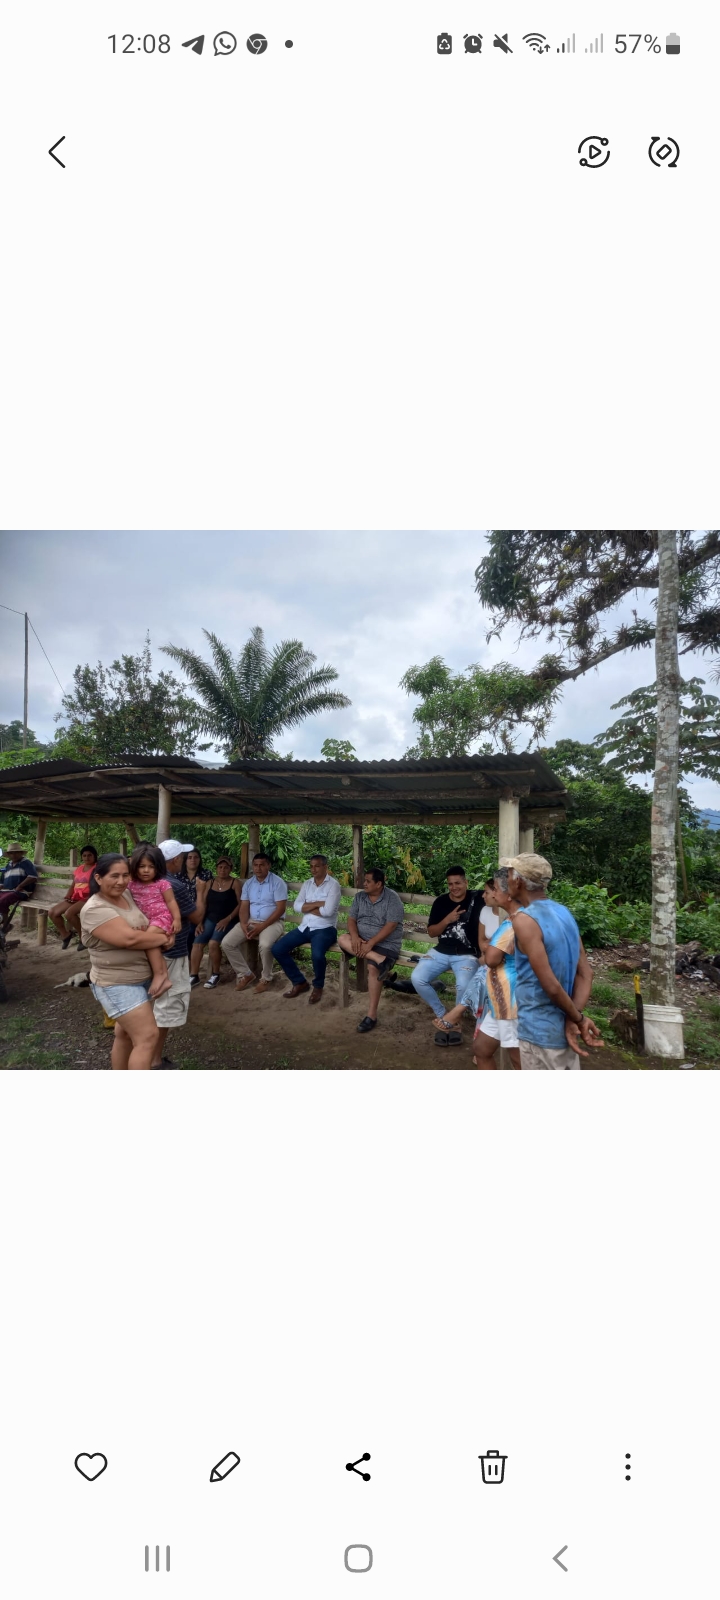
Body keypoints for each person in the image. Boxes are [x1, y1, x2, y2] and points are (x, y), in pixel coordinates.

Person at [505, 852, 604, 1069]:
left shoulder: (524, 920)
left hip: (538, 1032)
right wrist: (573, 1018)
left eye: (509, 874)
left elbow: (550, 985)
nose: (507, 879)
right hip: (561, 1030)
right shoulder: (564, 912)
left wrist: (578, 1020)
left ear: (519, 881)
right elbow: (586, 973)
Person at [79, 852, 171, 1069]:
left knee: (125, 1035)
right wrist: (163, 938)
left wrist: (164, 931)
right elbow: (130, 939)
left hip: (140, 979)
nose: (121, 881)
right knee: (147, 1037)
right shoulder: (95, 909)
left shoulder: (127, 894)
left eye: (125, 875)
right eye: (114, 876)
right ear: (98, 878)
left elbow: (152, 917)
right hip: (117, 984)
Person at [439, 869, 521, 1065]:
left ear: (507, 893)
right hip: (500, 991)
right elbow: (486, 946)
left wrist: (492, 950)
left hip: (511, 995)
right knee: (481, 1049)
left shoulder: (516, 921)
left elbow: (491, 958)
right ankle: (460, 1010)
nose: (487, 895)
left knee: (518, 1059)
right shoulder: (509, 919)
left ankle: (459, 1010)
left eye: (493, 889)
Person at [411, 865, 482, 1025]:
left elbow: (498, 894)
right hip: (441, 952)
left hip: (467, 955)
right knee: (417, 978)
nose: (454, 887)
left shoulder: (478, 898)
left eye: (458, 883)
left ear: (466, 882)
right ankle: (443, 1014)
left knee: (463, 985)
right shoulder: (441, 902)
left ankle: (454, 1020)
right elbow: (432, 932)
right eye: (450, 884)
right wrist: (447, 920)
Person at [338, 867, 405, 1034]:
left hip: (386, 943)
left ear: (379, 884)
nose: (364, 884)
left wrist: (372, 943)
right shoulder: (360, 897)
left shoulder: (392, 898)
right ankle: (382, 961)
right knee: (342, 939)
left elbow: (391, 925)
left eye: (368, 881)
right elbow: (351, 919)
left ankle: (371, 1015)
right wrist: (355, 937)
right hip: (362, 940)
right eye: (364, 880)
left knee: (372, 968)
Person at [150, 838, 198, 1068]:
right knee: (166, 1007)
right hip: (173, 950)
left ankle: (142, 1053)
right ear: (176, 860)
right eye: (182, 857)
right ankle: (154, 1060)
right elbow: (196, 916)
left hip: (150, 950)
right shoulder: (174, 885)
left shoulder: (149, 881)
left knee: (150, 1003)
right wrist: (201, 894)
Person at [272, 854, 342, 1002]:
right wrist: (318, 903)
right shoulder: (307, 884)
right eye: (311, 866)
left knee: (317, 955)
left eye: (317, 866)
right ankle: (299, 982)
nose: (313, 869)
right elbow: (297, 907)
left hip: (325, 929)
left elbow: (328, 912)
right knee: (278, 949)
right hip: (305, 927)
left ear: (325, 867)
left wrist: (307, 907)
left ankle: (318, 987)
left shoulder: (333, 885)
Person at [222, 852, 288, 993]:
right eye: (255, 865)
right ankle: (246, 974)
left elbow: (280, 909)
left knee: (265, 945)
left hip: (273, 923)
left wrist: (262, 926)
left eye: (262, 865)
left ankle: (266, 978)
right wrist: (243, 924)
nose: (258, 868)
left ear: (268, 866)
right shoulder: (249, 884)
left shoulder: (277, 883)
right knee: (227, 943)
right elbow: (244, 906)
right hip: (251, 921)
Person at [125, 842, 183, 999]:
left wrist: (177, 919)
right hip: (146, 921)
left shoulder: (162, 884)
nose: (146, 870)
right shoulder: (131, 884)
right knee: (152, 944)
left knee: (148, 942)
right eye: (142, 866)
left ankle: (160, 974)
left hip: (161, 918)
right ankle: (164, 977)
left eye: (151, 866)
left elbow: (171, 902)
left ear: (158, 867)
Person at [189, 855, 243, 990]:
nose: (222, 870)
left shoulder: (235, 883)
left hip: (228, 920)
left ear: (230, 869)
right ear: (216, 868)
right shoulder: (210, 883)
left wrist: (228, 919)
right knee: (197, 942)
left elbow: (241, 904)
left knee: (213, 943)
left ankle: (215, 974)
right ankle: (194, 975)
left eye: (226, 867)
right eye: (220, 867)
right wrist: (200, 922)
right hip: (210, 918)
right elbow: (204, 904)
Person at [49, 845, 98, 949]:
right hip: (75, 897)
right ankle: (65, 935)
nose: (87, 857)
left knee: (69, 913)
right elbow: (73, 885)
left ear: (94, 856)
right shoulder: (79, 868)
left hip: (89, 897)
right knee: (52, 912)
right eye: (84, 855)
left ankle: (83, 938)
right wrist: (68, 895)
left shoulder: (97, 868)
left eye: (90, 855)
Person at [179, 847, 213, 954]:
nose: (193, 860)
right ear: (185, 860)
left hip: (200, 911)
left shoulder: (206, 874)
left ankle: (189, 960)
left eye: (196, 857)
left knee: (191, 932)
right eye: (189, 857)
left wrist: (200, 921)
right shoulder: (178, 875)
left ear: (199, 859)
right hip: (181, 913)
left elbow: (206, 898)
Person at [0, 841, 38, 931]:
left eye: (16, 853)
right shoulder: (9, 865)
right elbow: (2, 882)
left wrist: (20, 886)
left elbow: (33, 877)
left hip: (21, 891)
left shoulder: (26, 863)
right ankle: (4, 922)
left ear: (21, 853)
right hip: (8, 891)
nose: (14, 855)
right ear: (9, 855)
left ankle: (5, 925)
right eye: (11, 853)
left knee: (2, 900)